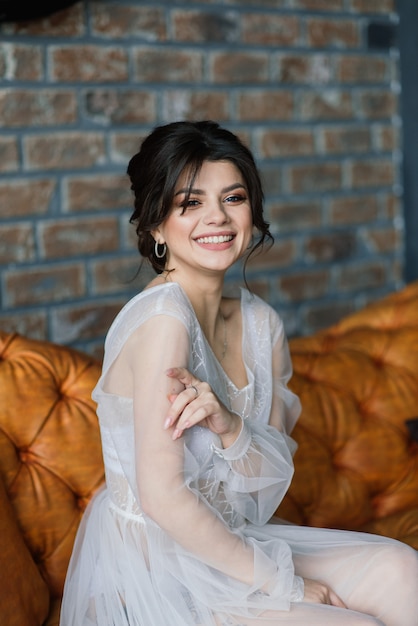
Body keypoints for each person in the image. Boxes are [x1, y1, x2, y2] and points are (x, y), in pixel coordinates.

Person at [60, 120, 418, 626]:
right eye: (190, 203)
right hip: (158, 573)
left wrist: (230, 428)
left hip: (231, 542)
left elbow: (258, 495)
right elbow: (163, 499)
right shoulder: (163, 322)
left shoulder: (260, 324)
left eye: (233, 197)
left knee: (406, 572)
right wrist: (287, 585)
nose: (217, 218)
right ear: (155, 226)